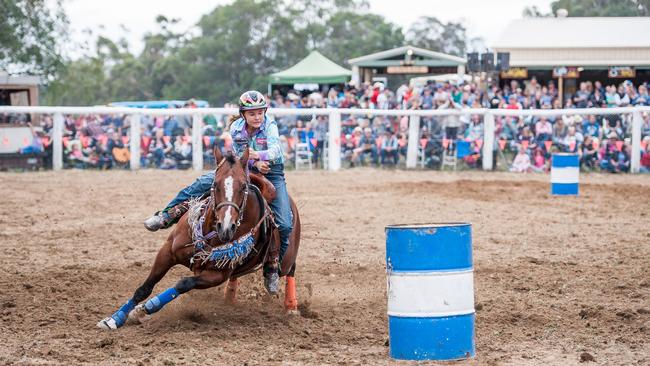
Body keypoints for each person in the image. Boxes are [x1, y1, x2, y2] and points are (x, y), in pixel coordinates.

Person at [143, 91, 291, 294]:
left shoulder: (270, 125)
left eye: (260, 113)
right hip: (243, 168)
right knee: (200, 184)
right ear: (243, 115)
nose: (257, 117)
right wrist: (254, 160)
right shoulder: (236, 128)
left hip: (272, 172)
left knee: (283, 223)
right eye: (252, 113)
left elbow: (275, 150)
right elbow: (239, 156)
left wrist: (260, 156)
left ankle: (272, 266)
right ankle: (166, 215)